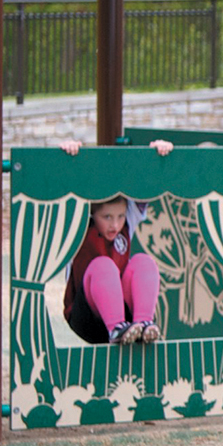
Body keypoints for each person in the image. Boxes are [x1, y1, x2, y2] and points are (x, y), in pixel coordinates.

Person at [59, 137, 173, 346]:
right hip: (87, 316)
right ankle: (116, 329)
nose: (115, 224)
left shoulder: (127, 220)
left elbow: (143, 190)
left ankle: (144, 323)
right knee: (104, 265)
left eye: (120, 216)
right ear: (93, 213)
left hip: (124, 312)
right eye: (107, 218)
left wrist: (153, 154)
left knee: (143, 262)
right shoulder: (78, 226)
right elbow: (65, 196)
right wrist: (69, 155)